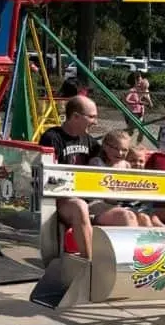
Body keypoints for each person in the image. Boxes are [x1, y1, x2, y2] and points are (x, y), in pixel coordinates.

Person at [39, 96, 139, 259]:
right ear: (76, 116)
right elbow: (47, 174)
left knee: (127, 216)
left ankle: (129, 264)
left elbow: (112, 158)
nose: (95, 122)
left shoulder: (90, 142)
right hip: (61, 199)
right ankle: (90, 261)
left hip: (89, 201)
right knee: (79, 206)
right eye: (92, 117)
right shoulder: (52, 137)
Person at [124, 71, 151, 143]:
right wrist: (138, 102)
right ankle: (126, 144)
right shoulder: (132, 90)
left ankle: (137, 145)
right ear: (135, 81)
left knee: (142, 131)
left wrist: (149, 102)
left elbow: (147, 97)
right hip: (132, 113)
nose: (140, 82)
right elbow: (127, 100)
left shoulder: (144, 89)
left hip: (140, 113)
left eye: (140, 80)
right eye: (138, 80)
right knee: (131, 131)